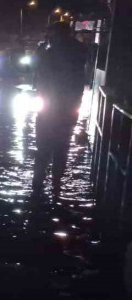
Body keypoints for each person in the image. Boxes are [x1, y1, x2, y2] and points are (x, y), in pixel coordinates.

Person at [32, 22, 87, 194]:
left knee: (45, 146)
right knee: (60, 146)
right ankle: (55, 182)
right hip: (64, 107)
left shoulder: (51, 52)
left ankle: (40, 182)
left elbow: (38, 70)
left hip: (54, 107)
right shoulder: (77, 51)